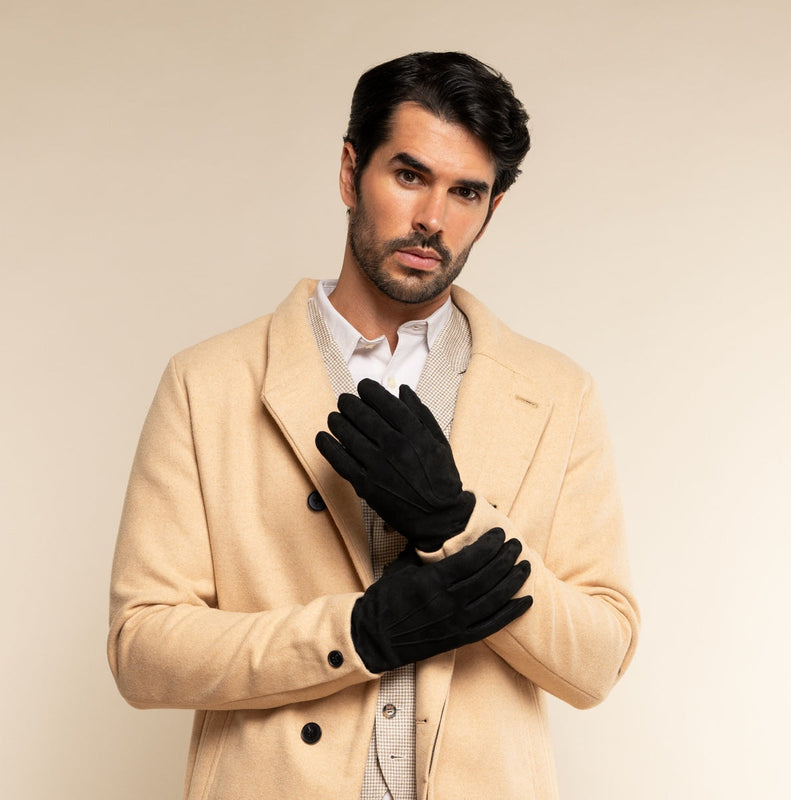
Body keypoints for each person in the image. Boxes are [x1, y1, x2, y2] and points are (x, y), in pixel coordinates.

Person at [108, 51, 639, 800]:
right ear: (350, 172)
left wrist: (458, 523)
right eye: (410, 175)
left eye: (466, 192)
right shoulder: (208, 383)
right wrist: (357, 634)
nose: (433, 220)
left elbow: (598, 661)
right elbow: (141, 651)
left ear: (492, 208)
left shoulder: (558, 395)